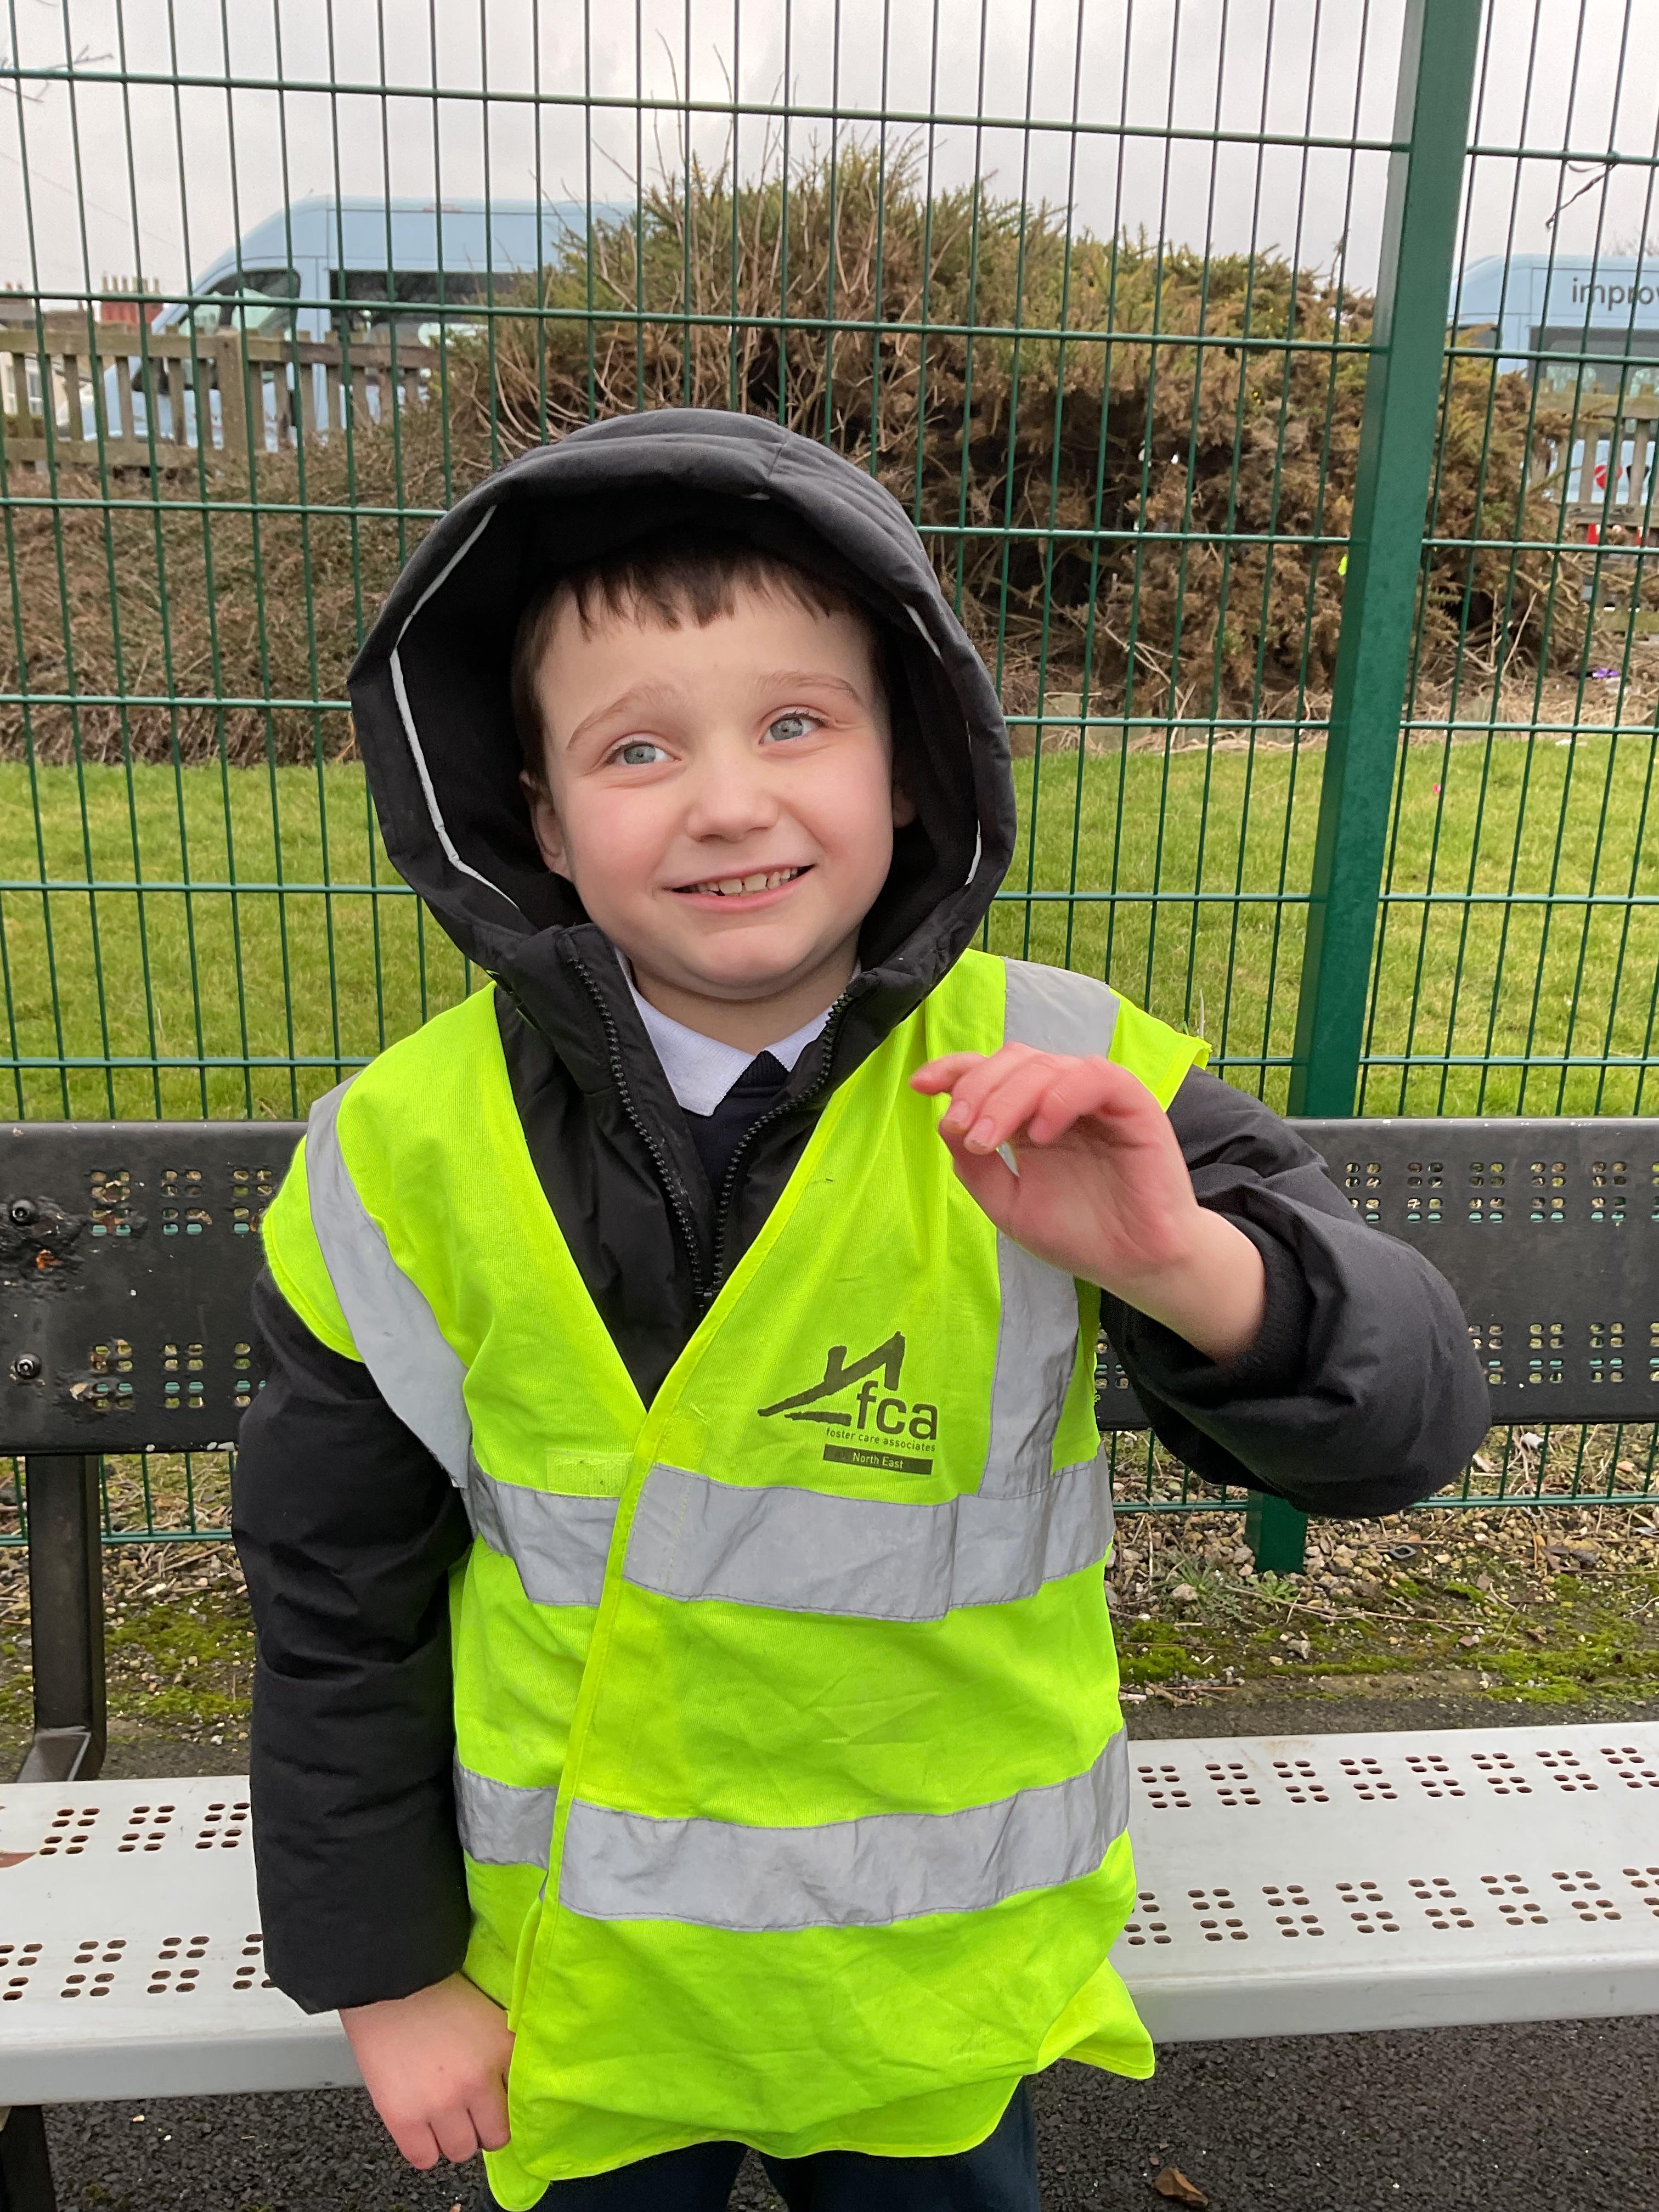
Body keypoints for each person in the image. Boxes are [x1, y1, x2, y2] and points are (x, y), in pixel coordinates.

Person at [233, 408, 1489, 2212]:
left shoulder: (1071, 1074)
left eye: (796, 724)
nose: (728, 801)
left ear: (911, 765)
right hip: (575, 1998)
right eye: (637, 748)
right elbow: (332, 1596)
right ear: (543, 822)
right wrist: (387, 1973)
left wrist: (1179, 1266)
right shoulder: (398, 1156)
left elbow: (1408, 1423)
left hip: (930, 2000)